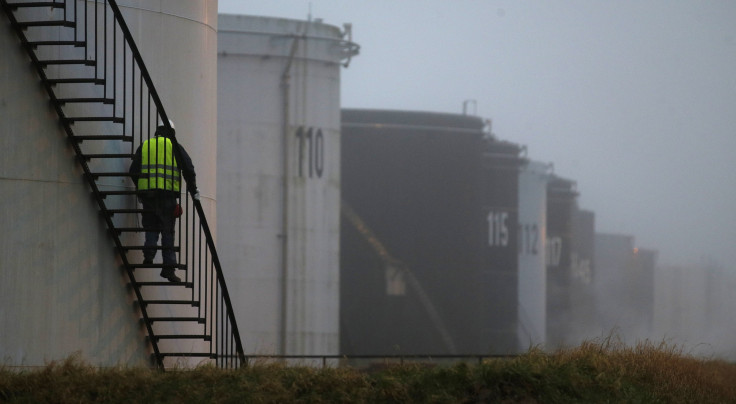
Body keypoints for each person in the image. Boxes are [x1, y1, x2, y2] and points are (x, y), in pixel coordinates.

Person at [129, 119, 198, 282]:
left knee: (151, 226)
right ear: (172, 132)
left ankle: (149, 255)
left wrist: (142, 188)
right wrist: (193, 189)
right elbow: (188, 168)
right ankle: (168, 269)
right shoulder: (175, 147)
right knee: (167, 232)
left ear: (157, 130)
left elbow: (133, 170)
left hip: (149, 195)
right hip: (168, 196)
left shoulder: (146, 145)